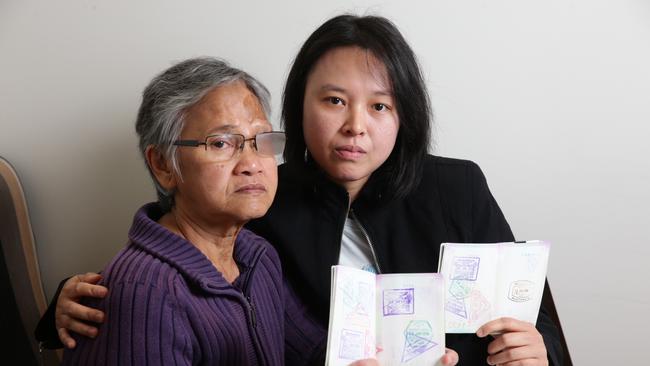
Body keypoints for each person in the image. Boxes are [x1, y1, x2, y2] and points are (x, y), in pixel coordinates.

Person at [38, 14, 562, 365]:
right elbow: (177, 233)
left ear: (404, 116)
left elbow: (531, 306)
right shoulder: (263, 198)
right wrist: (64, 301)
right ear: (299, 106)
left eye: (380, 106)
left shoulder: (457, 186)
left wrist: (540, 352)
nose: (356, 125)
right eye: (334, 100)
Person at [58, 57, 328, 365]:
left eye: (261, 140)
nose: (252, 164)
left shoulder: (258, 254)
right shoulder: (145, 292)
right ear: (163, 165)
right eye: (221, 143)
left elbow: (313, 351)